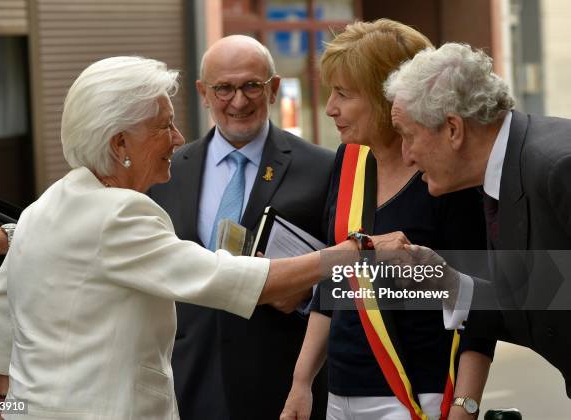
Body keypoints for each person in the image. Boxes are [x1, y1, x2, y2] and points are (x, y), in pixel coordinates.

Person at [0, 56, 363, 420]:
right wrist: (346, 253)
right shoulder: (120, 213)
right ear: (120, 143)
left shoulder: (43, 207)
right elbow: (224, 279)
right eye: (164, 125)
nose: (177, 137)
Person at [280, 20, 495, 420]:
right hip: (342, 392)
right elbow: (335, 284)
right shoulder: (349, 161)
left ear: (387, 98)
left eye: (343, 94)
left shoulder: (448, 175)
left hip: (419, 395)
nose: (330, 108)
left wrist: (466, 407)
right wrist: (301, 382)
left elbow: (481, 303)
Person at [148, 34, 333, 420]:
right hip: (186, 385)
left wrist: (302, 297)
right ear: (203, 92)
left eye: (252, 85)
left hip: (282, 388)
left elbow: (348, 276)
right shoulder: (167, 172)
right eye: (224, 88)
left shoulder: (323, 168)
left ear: (274, 89)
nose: (238, 100)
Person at [384, 42, 571, 401]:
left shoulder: (556, 167)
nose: (406, 156)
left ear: (453, 129)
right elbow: (544, 300)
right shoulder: (506, 170)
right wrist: (448, 284)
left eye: (408, 136)